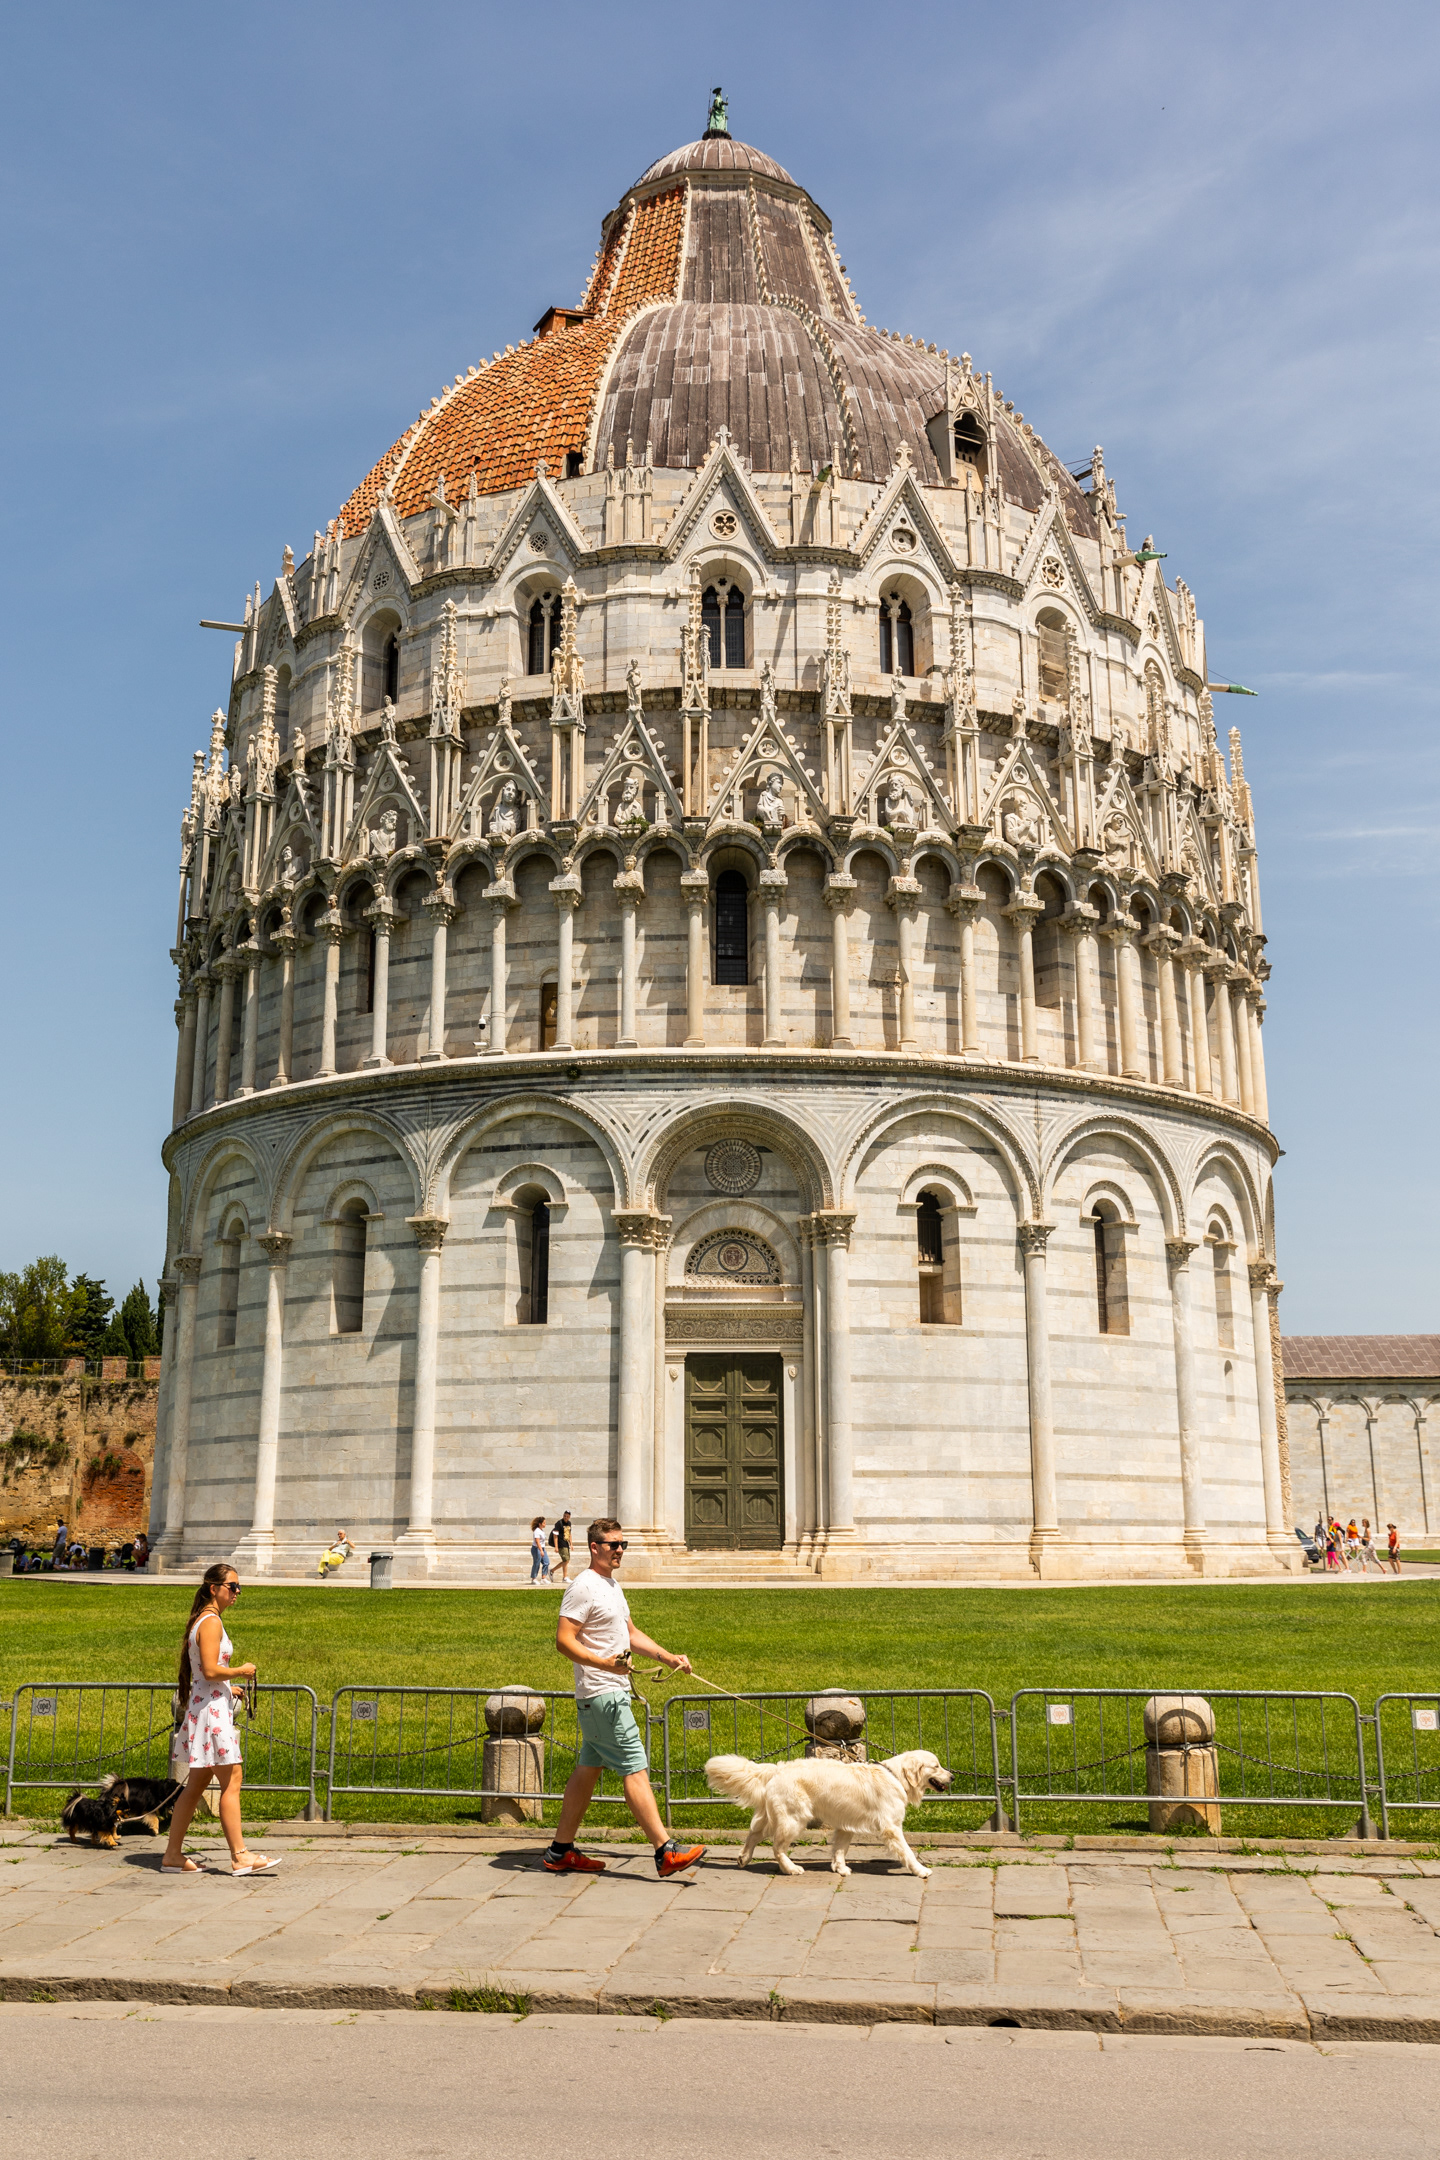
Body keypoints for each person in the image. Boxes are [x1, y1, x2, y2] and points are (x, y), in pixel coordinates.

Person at [545, 1518, 706, 1879]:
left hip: (607, 1693)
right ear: (594, 1547)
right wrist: (605, 1663)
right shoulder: (583, 1587)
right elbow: (563, 1640)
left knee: (588, 1770)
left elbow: (630, 1634)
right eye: (613, 1544)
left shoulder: (612, 1586)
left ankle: (560, 1851)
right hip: (602, 1694)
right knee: (635, 1766)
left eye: (623, 1544)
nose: (620, 1550)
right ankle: (665, 1851)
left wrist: (669, 1657)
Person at [162, 1564, 280, 1877]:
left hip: (207, 1708)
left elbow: (206, 1674)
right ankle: (240, 1855)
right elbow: (211, 1670)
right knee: (233, 1779)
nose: (237, 1592)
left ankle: (173, 1854)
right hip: (211, 1714)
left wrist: (231, 1687)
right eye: (232, 1586)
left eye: (239, 1587)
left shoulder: (207, 1620)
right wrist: (240, 1670)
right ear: (214, 1588)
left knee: (197, 1784)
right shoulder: (211, 1622)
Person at [549, 1509, 573, 1585]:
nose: (565, 1517)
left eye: (567, 1516)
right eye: (564, 1516)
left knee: (566, 1561)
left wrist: (571, 1544)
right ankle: (565, 1577)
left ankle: (552, 1571)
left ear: (569, 1517)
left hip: (566, 1543)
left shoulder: (569, 1523)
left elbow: (569, 1534)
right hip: (560, 1543)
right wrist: (556, 1546)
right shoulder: (559, 1523)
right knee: (566, 1560)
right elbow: (555, 1535)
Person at [530, 1516, 551, 1585]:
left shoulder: (542, 1531)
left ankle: (543, 1578)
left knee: (546, 1562)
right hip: (536, 1549)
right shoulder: (537, 1531)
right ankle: (534, 1578)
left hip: (542, 1548)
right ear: (540, 1524)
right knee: (536, 1563)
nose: (545, 1524)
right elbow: (537, 1542)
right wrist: (541, 1550)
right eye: (544, 1523)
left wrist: (542, 1550)